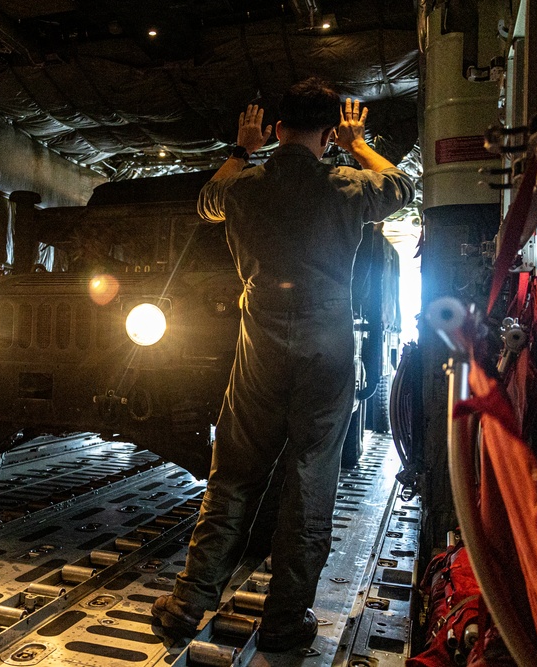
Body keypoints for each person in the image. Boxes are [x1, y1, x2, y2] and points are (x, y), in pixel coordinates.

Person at [151, 78, 414, 652]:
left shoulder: (244, 185)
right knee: (311, 480)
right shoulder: (348, 184)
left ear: (274, 130)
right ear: (328, 132)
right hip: (327, 342)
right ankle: (285, 618)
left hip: (261, 341)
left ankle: (188, 604)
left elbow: (206, 202)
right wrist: (357, 143)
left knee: (235, 474)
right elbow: (403, 186)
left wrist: (241, 149)